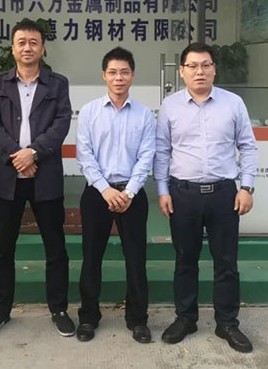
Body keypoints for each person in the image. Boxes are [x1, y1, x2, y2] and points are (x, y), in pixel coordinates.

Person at [155, 42, 258, 353]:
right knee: (185, 261)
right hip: (182, 194)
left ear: (215, 69)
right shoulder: (170, 106)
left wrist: (247, 187)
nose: (199, 71)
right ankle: (186, 318)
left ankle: (227, 323)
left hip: (224, 194)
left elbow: (248, 146)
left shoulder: (233, 103)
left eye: (206, 65)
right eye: (192, 66)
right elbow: (162, 151)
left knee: (226, 262)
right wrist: (162, 191)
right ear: (182, 71)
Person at [0, 19, 74, 338]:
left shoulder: (57, 84)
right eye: (21, 42)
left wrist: (33, 153)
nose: (27, 47)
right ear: (13, 48)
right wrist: (16, 155)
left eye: (33, 42)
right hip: (8, 176)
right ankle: (0, 310)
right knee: (3, 247)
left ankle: (59, 309)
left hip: (44, 175)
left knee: (55, 246)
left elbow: (61, 123)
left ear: (43, 48)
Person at [75, 47, 156, 344]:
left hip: (132, 195)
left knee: (135, 259)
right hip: (97, 192)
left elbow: (147, 156)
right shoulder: (89, 112)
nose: (118, 77)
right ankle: (88, 317)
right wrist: (106, 189)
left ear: (132, 75)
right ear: (104, 75)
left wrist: (129, 191)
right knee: (91, 257)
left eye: (124, 72)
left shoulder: (145, 115)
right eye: (113, 72)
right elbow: (85, 155)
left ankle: (138, 319)